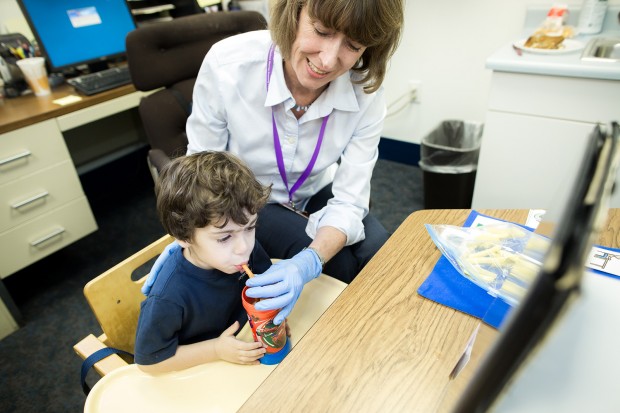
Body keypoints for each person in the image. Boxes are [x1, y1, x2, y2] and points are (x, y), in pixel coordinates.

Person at [144, 0, 404, 326]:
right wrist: (188, 243)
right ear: (292, 13)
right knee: (340, 268)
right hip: (246, 200)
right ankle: (342, 335)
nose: (327, 60)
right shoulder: (228, 66)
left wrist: (307, 262)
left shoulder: (364, 92)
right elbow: (201, 178)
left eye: (352, 45)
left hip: (313, 186)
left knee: (379, 252)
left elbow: (352, 200)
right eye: (321, 31)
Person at [134, 151, 273, 372]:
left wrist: (273, 321)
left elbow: (266, 287)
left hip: (246, 348)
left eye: (250, 228)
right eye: (225, 237)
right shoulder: (169, 295)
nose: (244, 247)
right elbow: (149, 362)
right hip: (204, 368)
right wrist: (216, 350)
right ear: (184, 237)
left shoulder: (243, 251)